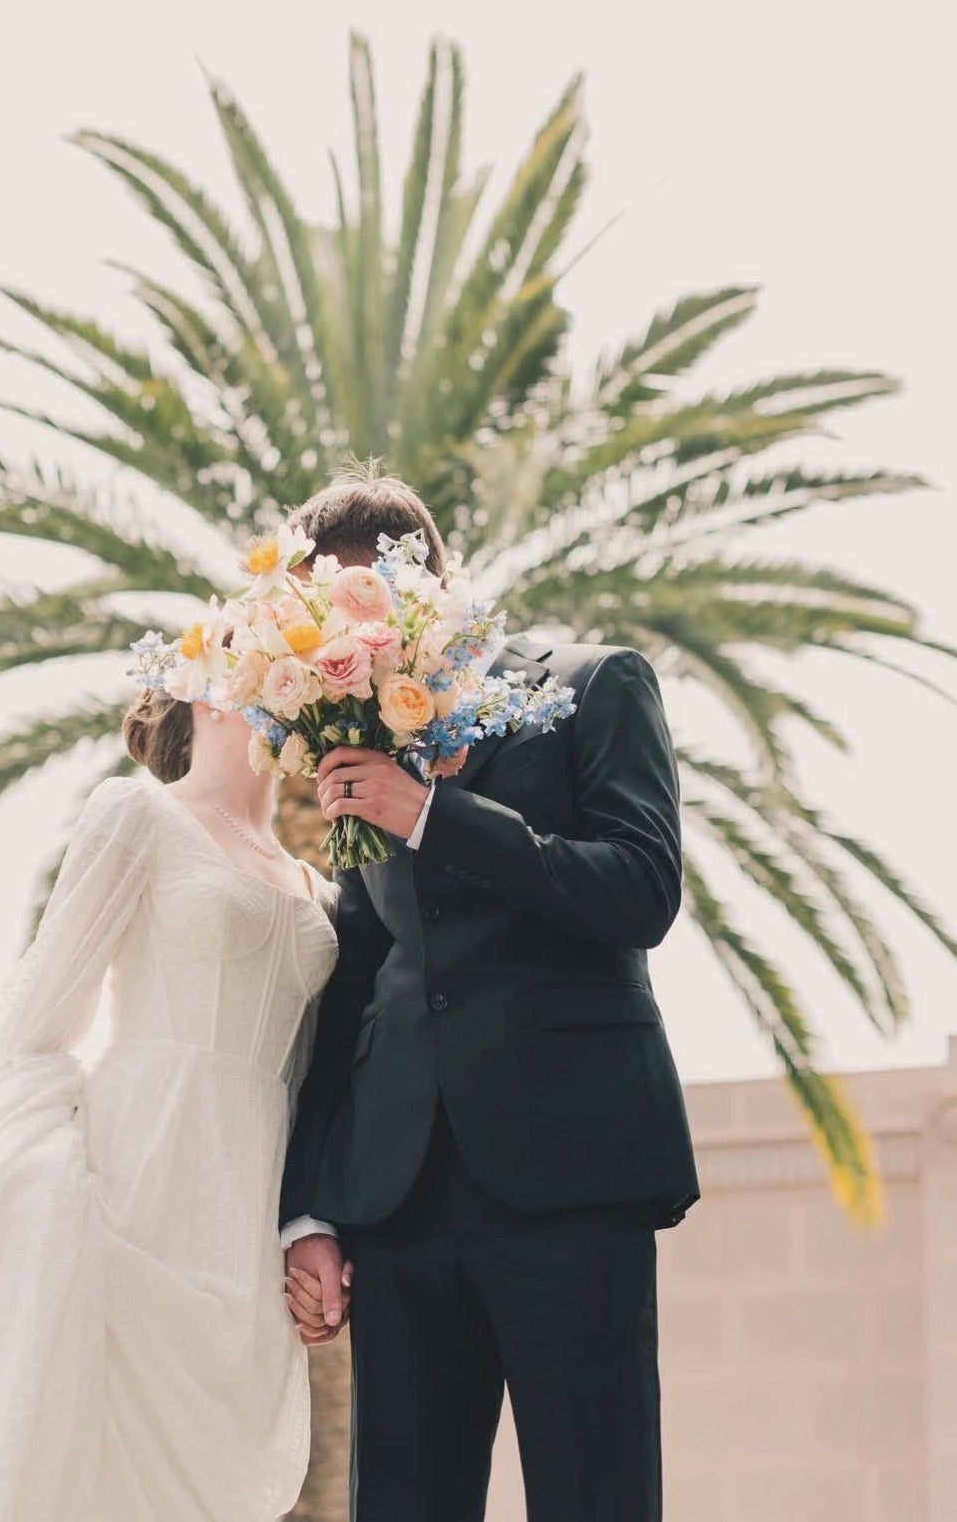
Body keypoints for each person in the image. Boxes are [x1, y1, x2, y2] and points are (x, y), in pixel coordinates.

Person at [0, 692, 345, 1522]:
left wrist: (307, 1225)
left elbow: (314, 1082)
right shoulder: (139, 816)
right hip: (129, 1183)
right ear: (205, 686)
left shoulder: (323, 891)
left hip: (242, 1226)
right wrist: (29, 1178)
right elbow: (39, 1015)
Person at [280, 471, 700, 1521]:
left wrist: (434, 816)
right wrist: (308, 1207)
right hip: (398, 1194)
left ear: (427, 586)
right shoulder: (356, 735)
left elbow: (642, 887)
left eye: (355, 610)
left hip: (572, 1175)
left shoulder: (597, 684)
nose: (340, 641)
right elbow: (357, 966)